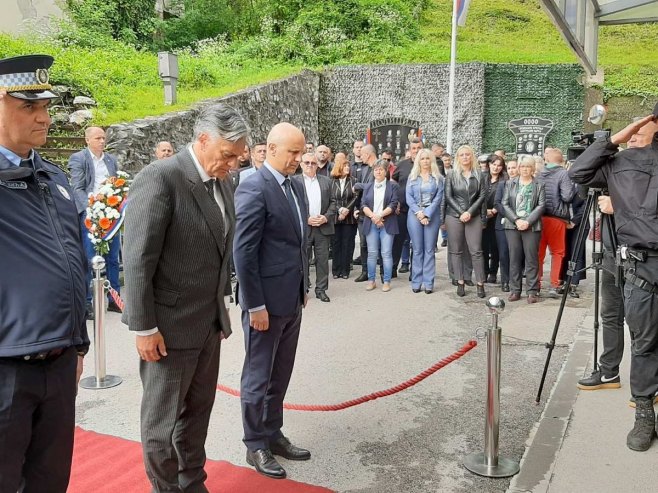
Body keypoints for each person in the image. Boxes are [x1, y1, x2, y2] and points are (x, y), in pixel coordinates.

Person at [122, 103, 248, 491]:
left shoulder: (223, 182)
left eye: (238, 157)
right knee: (161, 426)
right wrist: (144, 327)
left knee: (197, 415)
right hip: (168, 329)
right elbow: (138, 258)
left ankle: (192, 481)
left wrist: (220, 310)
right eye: (227, 155)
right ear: (203, 139)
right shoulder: (161, 178)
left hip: (208, 324)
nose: (233, 165)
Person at [0, 54, 89, 493]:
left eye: (46, 107)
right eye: (29, 107)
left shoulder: (54, 179)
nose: (45, 118)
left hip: (59, 362)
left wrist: (79, 343)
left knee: (50, 481)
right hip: (8, 367)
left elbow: (74, 261)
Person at [569, 112, 658, 452]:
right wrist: (612, 140)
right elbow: (577, 174)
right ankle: (644, 414)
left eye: (640, 130)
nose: (634, 135)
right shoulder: (619, 163)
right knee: (644, 342)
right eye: (632, 131)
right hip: (642, 265)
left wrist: (616, 204)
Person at [233, 122, 311, 479]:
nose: (298, 158)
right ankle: (255, 444)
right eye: (293, 152)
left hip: (291, 297)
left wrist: (303, 286)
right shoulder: (254, 186)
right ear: (272, 148)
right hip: (264, 304)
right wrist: (255, 306)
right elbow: (244, 252)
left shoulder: (295, 186)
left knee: (280, 373)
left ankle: (272, 432)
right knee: (258, 375)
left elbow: (297, 242)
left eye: (301, 151)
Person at [68, 126, 122, 317]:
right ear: (87, 140)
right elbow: (77, 188)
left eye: (103, 138)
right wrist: (90, 210)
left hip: (110, 212)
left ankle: (114, 298)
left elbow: (116, 184)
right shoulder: (79, 158)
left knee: (112, 258)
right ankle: (87, 302)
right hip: (90, 213)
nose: (102, 141)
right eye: (98, 138)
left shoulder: (110, 160)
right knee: (90, 258)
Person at [501, 155, 545, 303]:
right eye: (522, 166)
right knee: (514, 258)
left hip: (532, 226)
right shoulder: (510, 183)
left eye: (528, 166)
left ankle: (532, 291)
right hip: (512, 225)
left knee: (531, 259)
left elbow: (541, 205)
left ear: (532, 168)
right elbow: (505, 203)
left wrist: (528, 221)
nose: (525, 169)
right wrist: (516, 220)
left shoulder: (539, 184)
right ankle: (515, 290)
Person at [444, 145, 487, 298]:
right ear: (457, 158)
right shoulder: (451, 174)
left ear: (472, 156)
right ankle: (460, 281)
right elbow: (448, 196)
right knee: (456, 251)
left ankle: (480, 283)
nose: (465, 157)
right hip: (454, 216)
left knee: (476, 251)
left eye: (467, 154)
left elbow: (482, 196)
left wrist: (469, 212)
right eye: (461, 155)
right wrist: (461, 212)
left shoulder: (479, 174)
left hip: (473, 216)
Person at [295, 152, 336, 302]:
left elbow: (334, 202)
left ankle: (321, 290)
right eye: (307, 163)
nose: (310, 165)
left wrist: (325, 217)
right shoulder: (294, 182)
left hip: (322, 227)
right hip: (304, 227)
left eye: (313, 163)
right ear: (301, 164)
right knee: (302, 260)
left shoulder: (326, 181)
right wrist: (306, 218)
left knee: (322, 260)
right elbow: (292, 204)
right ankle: (303, 288)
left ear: (317, 165)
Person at [536, 147, 576, 297]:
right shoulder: (563, 173)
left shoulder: (539, 173)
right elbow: (567, 196)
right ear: (562, 160)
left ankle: (536, 284)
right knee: (558, 252)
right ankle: (554, 285)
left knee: (539, 253)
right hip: (557, 218)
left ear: (547, 159)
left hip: (539, 217)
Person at [406, 149, 444, 293]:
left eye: (428, 158)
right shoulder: (412, 177)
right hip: (415, 214)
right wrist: (419, 213)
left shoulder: (438, 178)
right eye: (422, 159)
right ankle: (416, 282)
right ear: (418, 161)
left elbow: (438, 198)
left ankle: (428, 283)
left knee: (429, 249)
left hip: (432, 214)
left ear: (432, 160)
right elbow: (409, 197)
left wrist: (427, 214)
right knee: (417, 249)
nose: (425, 161)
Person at [361, 159, 399, 292]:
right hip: (371, 222)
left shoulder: (392, 186)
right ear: (373, 171)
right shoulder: (368, 186)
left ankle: (387, 281)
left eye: (381, 169)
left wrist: (380, 215)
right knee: (372, 253)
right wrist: (373, 217)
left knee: (386, 253)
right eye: (376, 169)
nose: (378, 171)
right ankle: (371, 280)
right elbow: (363, 204)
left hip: (387, 222)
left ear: (386, 171)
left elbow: (393, 204)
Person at [392, 137, 423, 275]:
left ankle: (414, 272)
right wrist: (395, 200)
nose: (416, 151)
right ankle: (392, 268)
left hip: (419, 211)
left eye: (419, 148)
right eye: (413, 148)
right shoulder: (402, 164)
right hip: (402, 210)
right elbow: (393, 181)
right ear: (410, 150)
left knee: (416, 243)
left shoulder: (427, 165)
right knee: (398, 240)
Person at [330, 152, 358, 279]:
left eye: (348, 166)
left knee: (347, 244)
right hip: (335, 217)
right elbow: (330, 198)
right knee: (336, 244)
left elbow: (356, 197)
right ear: (339, 167)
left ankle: (345, 271)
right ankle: (336, 271)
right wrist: (339, 209)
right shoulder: (331, 181)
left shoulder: (354, 181)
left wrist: (346, 210)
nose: (347, 168)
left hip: (349, 218)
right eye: (345, 166)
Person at [353, 144, 377, 282]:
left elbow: (376, 186)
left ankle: (381, 273)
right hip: (363, 212)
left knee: (376, 245)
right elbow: (361, 193)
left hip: (375, 212)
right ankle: (365, 271)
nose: (360, 156)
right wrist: (356, 208)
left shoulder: (380, 166)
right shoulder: (365, 169)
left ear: (368, 154)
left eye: (362, 154)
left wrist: (358, 185)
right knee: (363, 244)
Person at [494, 158, 518, 292]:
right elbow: (497, 203)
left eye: (514, 167)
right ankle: (505, 281)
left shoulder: (525, 184)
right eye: (509, 168)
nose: (511, 171)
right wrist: (510, 216)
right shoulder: (502, 184)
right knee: (504, 254)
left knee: (516, 254)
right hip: (503, 223)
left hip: (520, 224)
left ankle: (516, 281)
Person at [483, 155, 507, 284]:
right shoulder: (482, 177)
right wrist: (484, 210)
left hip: (497, 216)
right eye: (494, 164)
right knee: (483, 246)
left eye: (499, 165)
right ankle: (484, 271)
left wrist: (494, 210)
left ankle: (493, 272)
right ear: (489, 164)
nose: (496, 167)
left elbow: (505, 198)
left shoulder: (505, 179)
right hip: (482, 215)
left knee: (495, 246)